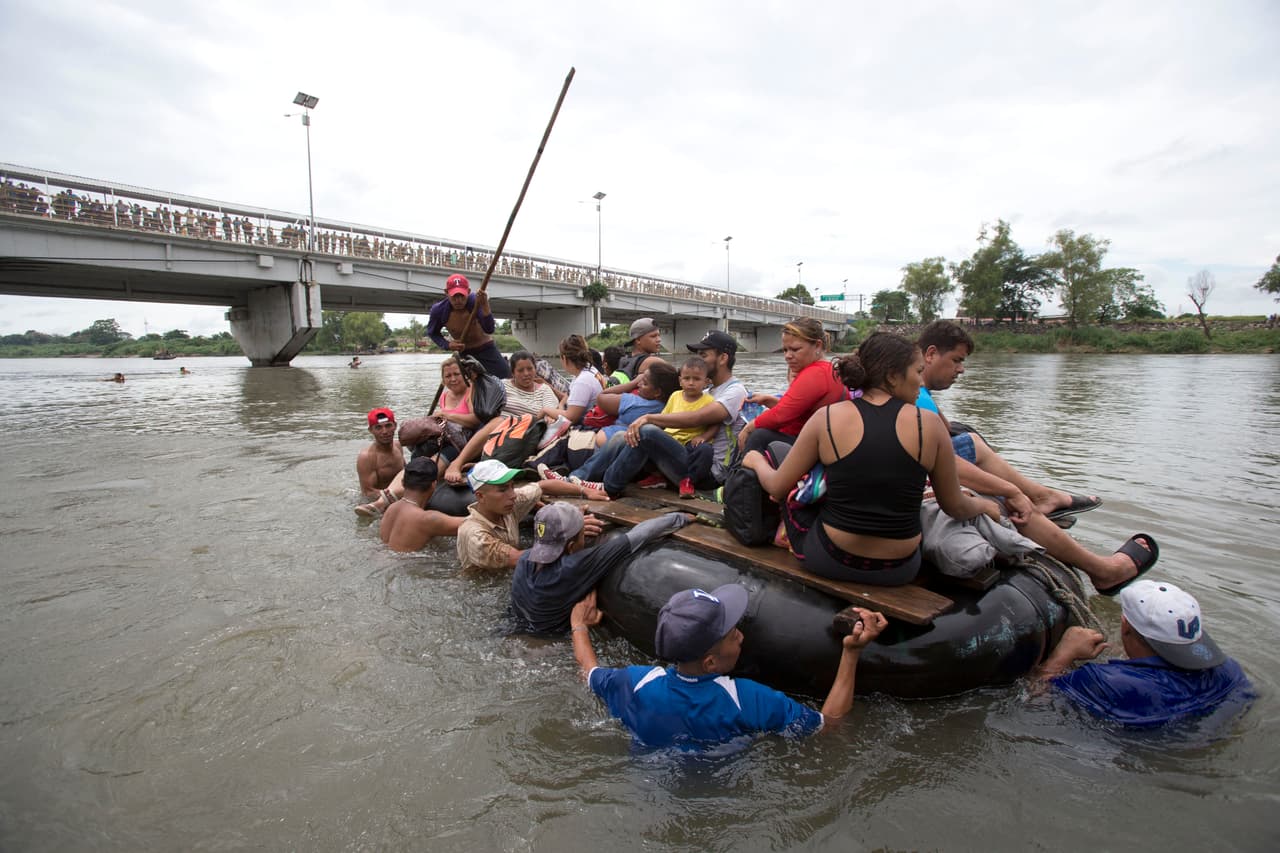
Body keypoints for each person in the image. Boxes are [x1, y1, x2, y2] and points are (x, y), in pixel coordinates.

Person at [744, 332, 1004, 586]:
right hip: (899, 568)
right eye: (917, 372)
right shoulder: (930, 425)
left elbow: (778, 488)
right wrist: (985, 505)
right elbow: (955, 506)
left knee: (787, 469)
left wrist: (755, 460)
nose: (921, 382)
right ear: (892, 376)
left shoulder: (827, 418)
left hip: (831, 559)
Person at [570, 583, 888, 750]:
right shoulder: (748, 699)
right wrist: (851, 653)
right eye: (734, 634)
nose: (742, 636)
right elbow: (829, 726)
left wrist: (578, 625)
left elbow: (589, 672)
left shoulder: (635, 682)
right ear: (710, 662)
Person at [916, 320, 1102, 520]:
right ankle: (1040, 498)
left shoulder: (918, 392)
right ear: (931, 354)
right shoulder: (919, 397)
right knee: (971, 443)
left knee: (964, 434)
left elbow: (944, 428)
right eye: (956, 360)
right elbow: (941, 453)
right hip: (926, 470)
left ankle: (1039, 497)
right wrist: (1009, 489)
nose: (961, 369)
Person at [1034, 580, 1253, 726]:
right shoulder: (1229, 670)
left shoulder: (1103, 681)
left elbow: (1035, 697)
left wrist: (1063, 654)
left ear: (1125, 626)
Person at [596, 330, 749, 497]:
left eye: (703, 355)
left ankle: (608, 488)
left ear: (723, 358)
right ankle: (585, 478)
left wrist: (648, 418)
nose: (698, 360)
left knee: (646, 431)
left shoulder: (735, 391)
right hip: (687, 455)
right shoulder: (704, 390)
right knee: (623, 436)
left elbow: (696, 418)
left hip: (708, 471)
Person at [508, 504, 691, 635]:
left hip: (516, 627)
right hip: (550, 641)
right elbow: (639, 535)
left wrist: (574, 523)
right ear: (571, 547)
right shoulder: (573, 566)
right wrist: (680, 517)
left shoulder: (524, 559)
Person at [455, 459, 610, 572]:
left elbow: (542, 486)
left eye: (512, 486)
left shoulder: (506, 504)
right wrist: (569, 529)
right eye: (503, 489)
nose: (512, 495)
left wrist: (585, 491)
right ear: (480, 496)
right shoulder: (475, 536)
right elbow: (519, 559)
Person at [736, 318, 847, 455]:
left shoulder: (815, 373)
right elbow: (798, 411)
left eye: (795, 349)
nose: (788, 356)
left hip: (810, 448)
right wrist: (769, 400)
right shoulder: (828, 369)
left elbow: (780, 416)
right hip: (821, 443)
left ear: (818, 346)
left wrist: (749, 428)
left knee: (759, 435)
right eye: (785, 350)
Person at [425, 273, 510, 378]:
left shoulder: (476, 301)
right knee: (460, 382)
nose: (458, 300)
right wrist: (448, 345)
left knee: (506, 377)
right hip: (464, 353)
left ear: (468, 292)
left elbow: (489, 329)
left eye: (462, 296)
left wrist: (485, 306)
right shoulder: (438, 310)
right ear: (446, 293)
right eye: (454, 296)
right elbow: (432, 333)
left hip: (486, 350)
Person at [379, 457, 465, 552]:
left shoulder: (391, 508)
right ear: (434, 485)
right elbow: (472, 523)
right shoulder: (428, 519)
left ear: (403, 482)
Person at [356, 407, 405, 498]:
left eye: (388, 426)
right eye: (378, 427)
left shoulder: (398, 446)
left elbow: (406, 473)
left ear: (395, 426)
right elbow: (368, 493)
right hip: (379, 501)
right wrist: (399, 495)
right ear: (371, 430)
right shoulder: (367, 457)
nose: (384, 431)